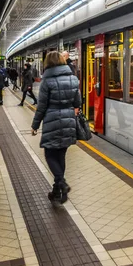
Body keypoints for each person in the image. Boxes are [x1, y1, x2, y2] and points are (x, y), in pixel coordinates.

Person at [31, 51, 81, 204]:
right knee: (60, 156)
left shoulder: (47, 81)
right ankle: (57, 191)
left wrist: (35, 125)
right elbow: (78, 103)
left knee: (50, 155)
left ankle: (62, 183)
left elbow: (42, 106)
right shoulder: (73, 79)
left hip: (52, 119)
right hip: (68, 120)